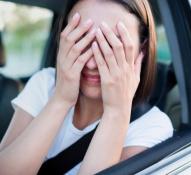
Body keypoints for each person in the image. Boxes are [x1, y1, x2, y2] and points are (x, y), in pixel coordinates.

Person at [0, 0, 173, 174]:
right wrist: (61, 100)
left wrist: (116, 112)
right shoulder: (45, 84)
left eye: (111, 45)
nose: (90, 63)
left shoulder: (152, 126)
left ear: (141, 49)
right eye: (81, 39)